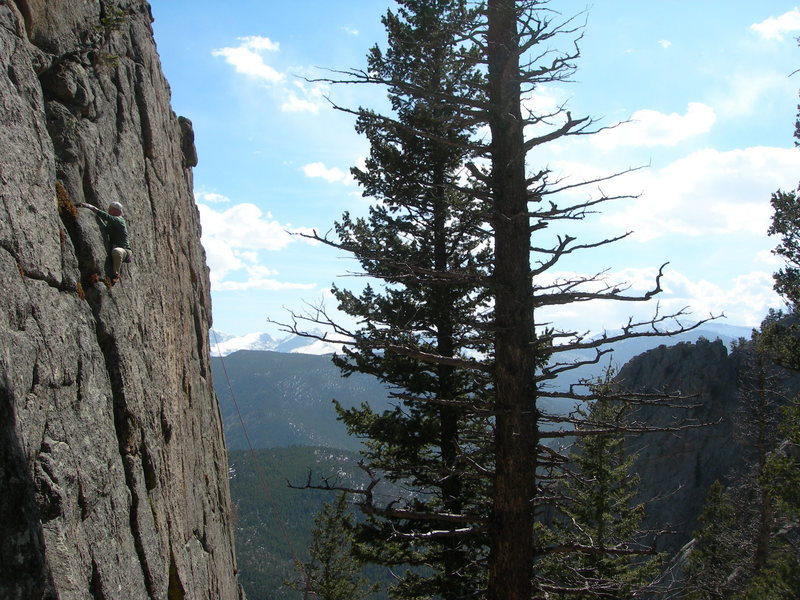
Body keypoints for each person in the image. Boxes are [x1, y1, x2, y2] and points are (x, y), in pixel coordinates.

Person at [76, 201, 132, 284]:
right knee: (115, 251)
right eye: (110, 210)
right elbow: (105, 229)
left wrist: (90, 207)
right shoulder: (112, 223)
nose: (109, 211)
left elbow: (106, 217)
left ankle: (116, 274)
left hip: (125, 250)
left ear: (118, 212)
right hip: (114, 247)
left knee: (117, 251)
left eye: (112, 210)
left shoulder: (119, 220)